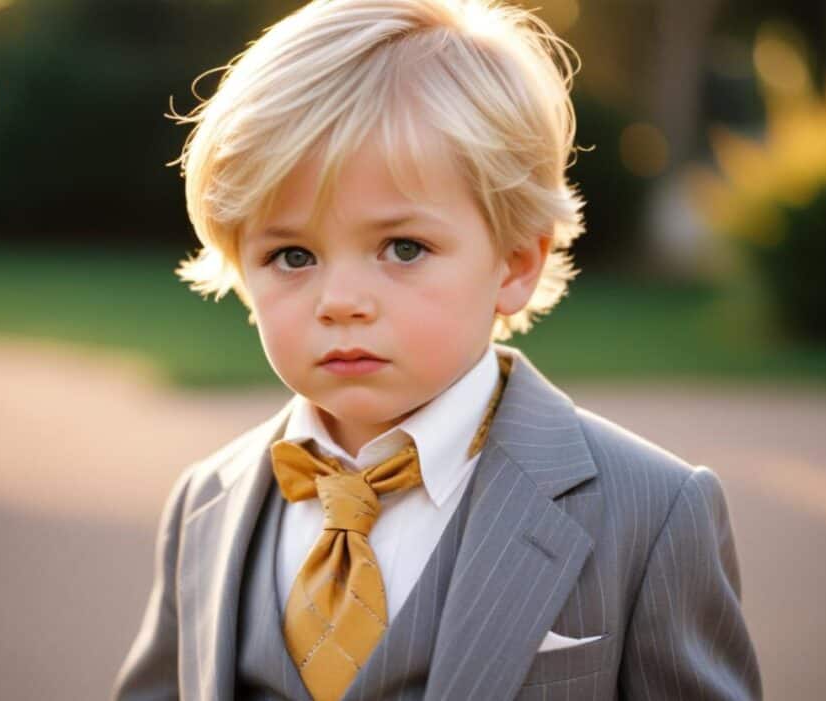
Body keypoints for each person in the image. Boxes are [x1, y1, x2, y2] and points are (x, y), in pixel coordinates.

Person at [112, 1, 763, 699]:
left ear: (514, 263)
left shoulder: (652, 512)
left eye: (403, 248)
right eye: (293, 253)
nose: (341, 300)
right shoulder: (205, 501)